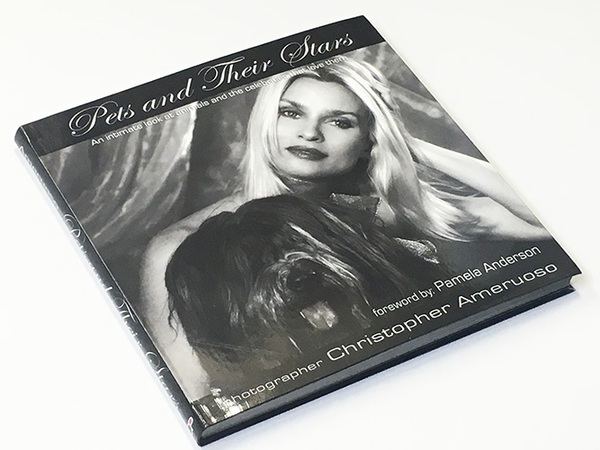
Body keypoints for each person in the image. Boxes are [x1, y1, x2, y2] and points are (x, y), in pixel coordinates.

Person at [139, 56, 549, 400]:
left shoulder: (384, 212)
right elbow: (195, 392)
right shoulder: (180, 245)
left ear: (367, 140)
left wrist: (410, 146)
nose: (310, 133)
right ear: (265, 121)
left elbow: (541, 222)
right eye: (291, 113)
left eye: (339, 122)